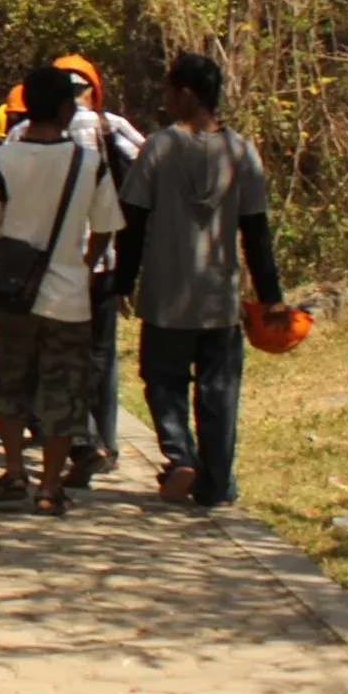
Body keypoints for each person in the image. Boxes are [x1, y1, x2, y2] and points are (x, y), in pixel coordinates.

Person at [114, 53, 286, 507]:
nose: (166, 99)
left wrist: (120, 283)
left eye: (170, 91)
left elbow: (132, 220)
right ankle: (215, 485)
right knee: (220, 392)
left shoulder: (159, 148)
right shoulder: (241, 152)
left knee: (162, 379)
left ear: (187, 95)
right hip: (219, 298)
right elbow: (256, 229)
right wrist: (271, 296)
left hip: (166, 295)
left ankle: (180, 455)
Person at [0, 64, 123, 516]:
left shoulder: (1, 161)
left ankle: (14, 470)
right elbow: (106, 229)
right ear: (65, 107)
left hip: (13, 295)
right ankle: (50, 486)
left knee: (10, 382)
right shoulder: (88, 164)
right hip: (69, 298)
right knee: (64, 390)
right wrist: (85, 267)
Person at [33, 55, 145, 489]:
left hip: (54, 265)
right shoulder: (110, 125)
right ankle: (109, 445)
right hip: (102, 258)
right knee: (101, 354)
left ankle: (77, 440)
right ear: (92, 89)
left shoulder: (32, 132)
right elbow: (146, 164)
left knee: (58, 355)